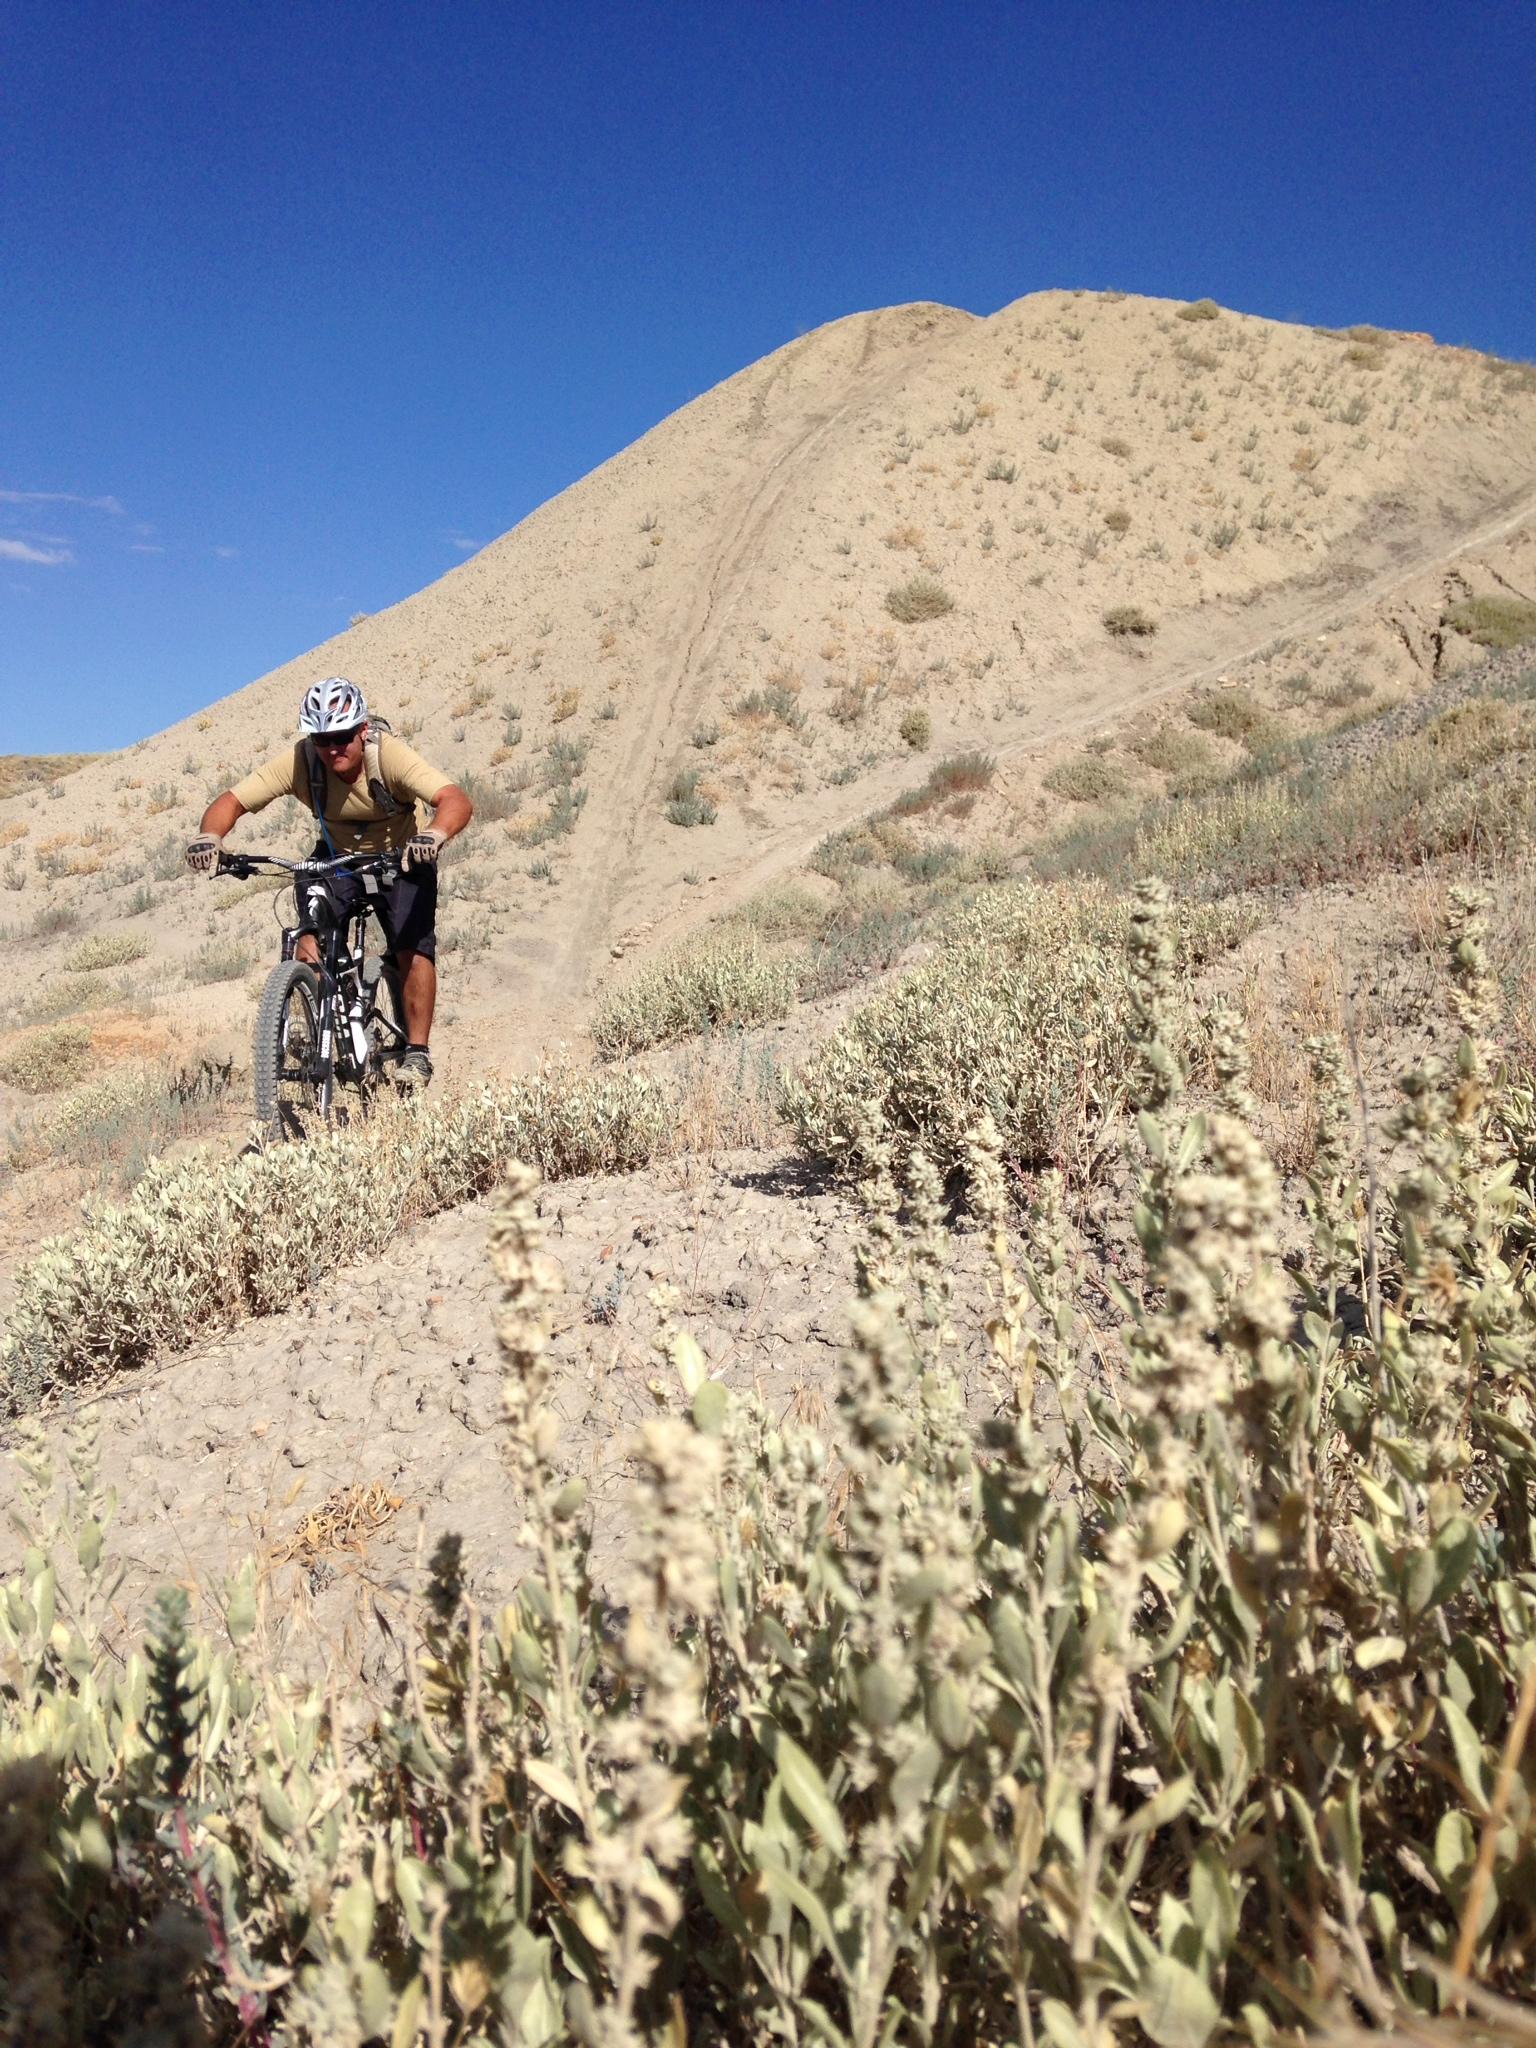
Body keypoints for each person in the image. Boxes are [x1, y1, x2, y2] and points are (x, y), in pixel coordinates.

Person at [185, 677, 473, 1088]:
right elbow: (232, 801)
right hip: (338, 857)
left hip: (403, 856)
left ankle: (418, 1053)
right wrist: (209, 837)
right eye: (322, 739)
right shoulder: (303, 761)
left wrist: (434, 834)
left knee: (412, 945)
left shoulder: (387, 755)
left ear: (362, 730)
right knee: (308, 940)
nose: (332, 747)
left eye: (341, 736)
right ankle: (323, 1024)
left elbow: (454, 798)